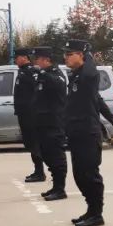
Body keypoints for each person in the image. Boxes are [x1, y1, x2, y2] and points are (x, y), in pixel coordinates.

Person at [63, 39, 113, 226]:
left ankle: (97, 214)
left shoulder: (89, 75)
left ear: (81, 55)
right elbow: (96, 99)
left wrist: (88, 53)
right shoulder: (77, 76)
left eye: (70, 53)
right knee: (80, 175)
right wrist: (112, 118)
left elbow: (90, 71)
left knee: (90, 175)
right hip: (76, 132)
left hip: (88, 133)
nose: (65, 57)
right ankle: (90, 209)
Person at [31, 47, 68, 201]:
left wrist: (43, 73)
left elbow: (58, 85)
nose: (35, 62)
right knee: (46, 154)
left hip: (54, 123)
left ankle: (60, 189)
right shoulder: (43, 75)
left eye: (38, 59)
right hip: (43, 123)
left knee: (56, 156)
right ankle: (55, 186)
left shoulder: (56, 75)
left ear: (46, 60)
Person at [13, 48, 45, 183]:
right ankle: (38, 171)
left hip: (31, 115)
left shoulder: (32, 72)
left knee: (34, 143)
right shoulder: (23, 71)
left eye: (17, 57)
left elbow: (36, 93)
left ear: (24, 57)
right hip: (24, 114)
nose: (15, 60)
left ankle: (40, 172)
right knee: (30, 143)